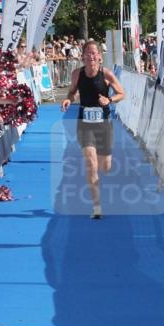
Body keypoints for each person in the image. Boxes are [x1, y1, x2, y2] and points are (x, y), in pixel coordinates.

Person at [60, 41, 125, 220]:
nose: (91, 56)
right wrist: (68, 99)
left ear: (99, 56)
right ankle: (97, 207)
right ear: (82, 56)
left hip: (103, 123)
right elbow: (72, 91)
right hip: (84, 123)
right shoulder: (77, 74)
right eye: (87, 53)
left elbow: (122, 93)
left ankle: (102, 189)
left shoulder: (106, 74)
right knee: (91, 164)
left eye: (94, 53)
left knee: (105, 166)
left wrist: (109, 100)